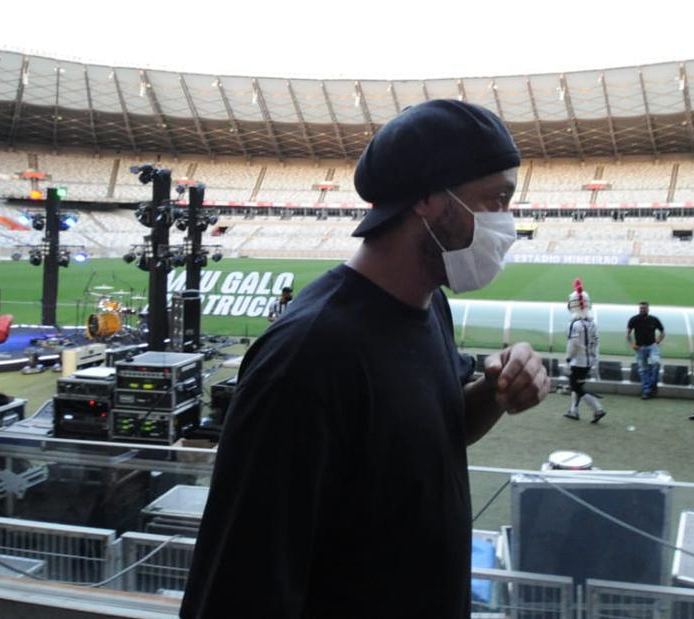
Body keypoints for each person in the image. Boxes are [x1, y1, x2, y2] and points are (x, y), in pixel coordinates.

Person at [181, 99, 550, 618]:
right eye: (497, 199)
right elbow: (238, 584)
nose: (507, 223)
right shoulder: (308, 355)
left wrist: (497, 389)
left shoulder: (429, 306)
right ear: (427, 197)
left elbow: (437, 427)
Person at [562, 279, 605, 423]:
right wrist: (595, 359)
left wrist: (568, 359)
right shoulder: (592, 323)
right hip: (588, 361)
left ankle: (598, 409)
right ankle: (574, 411)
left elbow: (573, 344)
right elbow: (596, 342)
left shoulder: (574, 324)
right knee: (577, 386)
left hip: (577, 362)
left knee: (577, 387)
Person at [626, 301, 664, 399]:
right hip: (640, 348)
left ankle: (650, 385)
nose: (642, 310)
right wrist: (632, 344)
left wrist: (657, 342)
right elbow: (628, 334)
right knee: (643, 370)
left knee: (656, 364)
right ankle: (647, 391)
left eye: (644, 308)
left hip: (652, 346)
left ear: (648, 309)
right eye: (641, 308)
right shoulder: (634, 319)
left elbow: (662, 332)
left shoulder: (654, 320)